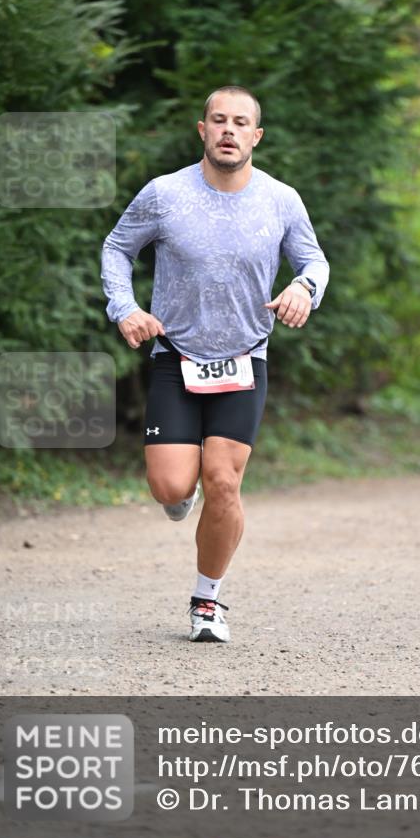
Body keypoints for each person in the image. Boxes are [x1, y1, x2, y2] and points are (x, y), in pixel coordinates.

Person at [100, 86, 329, 643]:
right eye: (218, 120)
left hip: (244, 359)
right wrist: (125, 307)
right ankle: (182, 497)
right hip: (176, 357)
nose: (229, 130)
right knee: (171, 488)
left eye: (240, 122)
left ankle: (208, 602)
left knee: (223, 481)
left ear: (256, 136)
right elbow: (116, 249)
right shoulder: (164, 194)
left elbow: (313, 260)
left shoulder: (281, 200)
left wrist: (303, 287)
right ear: (202, 131)